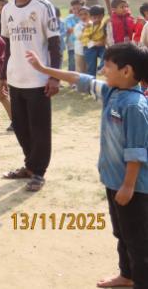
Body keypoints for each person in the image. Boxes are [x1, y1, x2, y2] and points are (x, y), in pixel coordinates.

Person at [25, 43, 148, 289]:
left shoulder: (134, 106)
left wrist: (127, 186)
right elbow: (78, 78)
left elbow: (136, 153)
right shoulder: (111, 92)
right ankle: (126, 275)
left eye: (108, 66)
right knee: (122, 233)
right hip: (114, 183)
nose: (102, 70)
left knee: (138, 241)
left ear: (126, 71)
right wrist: (43, 68)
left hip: (133, 188)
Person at [1, 0, 61, 192]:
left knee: (40, 130)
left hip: (38, 80)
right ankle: (30, 165)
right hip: (16, 79)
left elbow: (55, 45)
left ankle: (38, 172)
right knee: (20, 127)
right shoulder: (7, 9)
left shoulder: (44, 7)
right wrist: (4, 74)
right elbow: (8, 46)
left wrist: (54, 77)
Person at [82, 5, 108, 77]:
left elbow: (110, 16)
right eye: (95, 18)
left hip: (101, 46)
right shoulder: (89, 25)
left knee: (106, 55)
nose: (97, 19)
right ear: (90, 17)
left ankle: (101, 69)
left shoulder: (104, 23)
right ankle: (91, 80)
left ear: (103, 16)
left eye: (99, 17)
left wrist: (102, 42)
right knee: (91, 66)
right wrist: (94, 43)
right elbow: (84, 38)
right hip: (89, 47)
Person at [65, 0, 85, 72]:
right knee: (72, 65)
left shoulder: (86, 17)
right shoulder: (68, 18)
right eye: (74, 9)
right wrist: (82, 28)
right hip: (72, 46)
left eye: (78, 8)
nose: (76, 11)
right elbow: (70, 30)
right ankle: (71, 79)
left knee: (83, 66)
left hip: (84, 45)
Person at [74, 6, 89, 73]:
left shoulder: (92, 24)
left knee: (89, 70)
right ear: (78, 16)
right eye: (81, 15)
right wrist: (85, 28)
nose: (83, 16)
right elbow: (79, 37)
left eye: (85, 14)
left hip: (90, 51)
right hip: (80, 51)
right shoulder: (77, 26)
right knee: (80, 71)